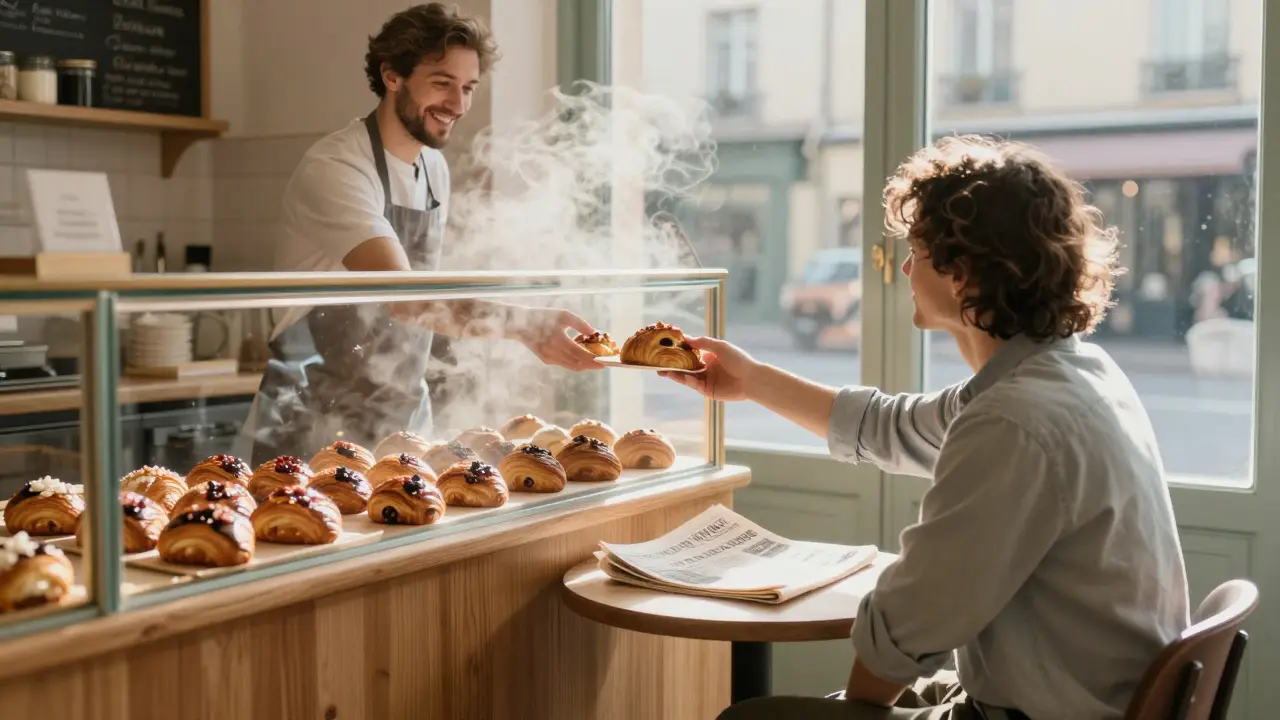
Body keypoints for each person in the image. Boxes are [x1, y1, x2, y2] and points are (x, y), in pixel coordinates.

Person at [665, 136, 1190, 720]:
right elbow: (893, 426)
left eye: (916, 250)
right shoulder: (1067, 370)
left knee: (751, 718)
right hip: (1077, 697)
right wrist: (753, 379)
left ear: (962, 276)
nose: (907, 268)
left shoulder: (1016, 420)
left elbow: (909, 623)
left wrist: (855, 713)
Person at [250, 4, 599, 464]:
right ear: (392, 75)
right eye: (442, 83)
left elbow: (426, 301)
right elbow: (404, 296)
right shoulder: (336, 167)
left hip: (403, 419)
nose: (458, 105)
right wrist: (523, 325)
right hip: (315, 418)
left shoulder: (433, 167)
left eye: (468, 87)